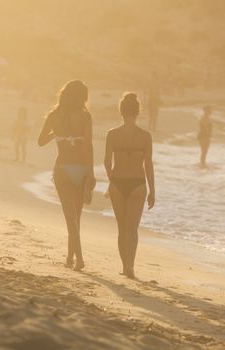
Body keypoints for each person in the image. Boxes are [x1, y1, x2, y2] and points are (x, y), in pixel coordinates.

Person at [38, 80, 96, 271]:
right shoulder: (86, 117)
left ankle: (73, 258)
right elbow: (88, 146)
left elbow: (41, 141)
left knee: (69, 218)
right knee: (76, 217)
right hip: (80, 168)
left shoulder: (54, 115)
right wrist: (91, 173)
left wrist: (57, 133)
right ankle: (76, 258)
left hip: (62, 168)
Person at [104, 93, 155, 279]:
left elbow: (106, 163)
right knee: (132, 229)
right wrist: (153, 191)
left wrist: (111, 181)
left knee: (121, 228)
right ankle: (130, 266)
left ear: (121, 111)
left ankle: (124, 265)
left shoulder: (112, 134)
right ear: (138, 112)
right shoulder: (145, 136)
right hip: (138, 184)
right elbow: (148, 165)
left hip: (117, 183)